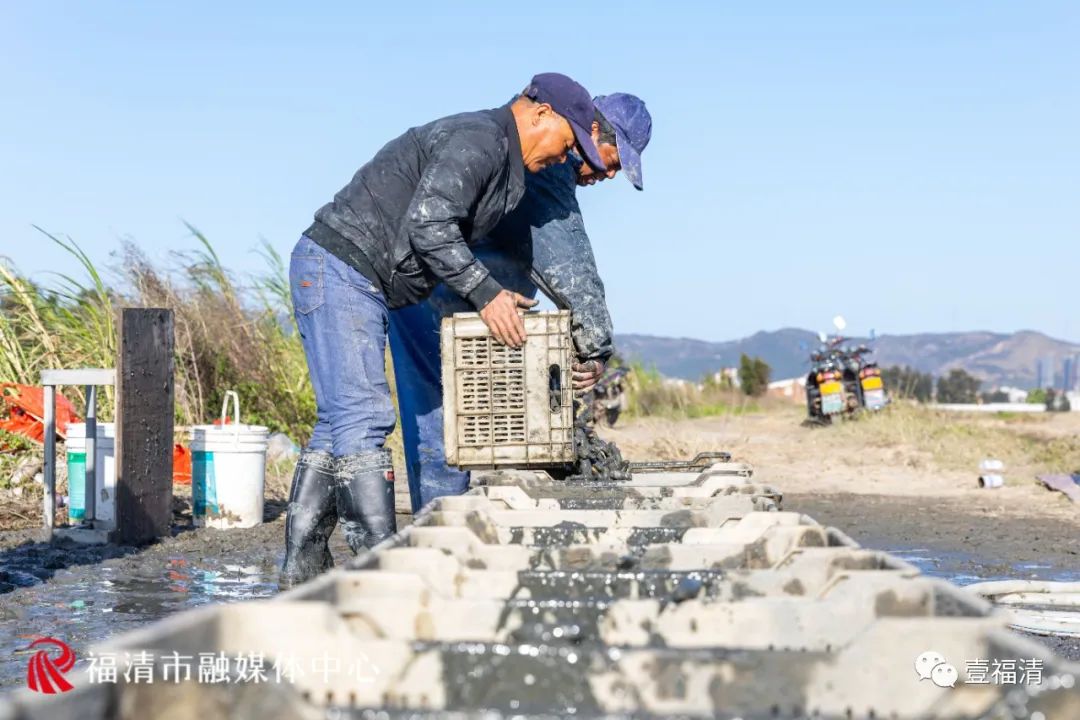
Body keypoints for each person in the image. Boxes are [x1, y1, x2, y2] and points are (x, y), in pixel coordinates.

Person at [281, 73, 608, 587]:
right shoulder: (480, 139)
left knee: (338, 423)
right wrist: (485, 292)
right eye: (566, 143)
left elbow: (447, 237)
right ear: (540, 112)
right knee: (364, 416)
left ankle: (301, 568)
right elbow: (430, 225)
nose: (561, 157)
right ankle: (382, 574)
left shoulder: (509, 166)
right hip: (340, 267)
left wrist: (496, 293)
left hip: (353, 275)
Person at [388, 92, 652, 511]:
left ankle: (444, 516)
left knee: (468, 421)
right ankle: (441, 529)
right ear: (593, 130)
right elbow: (567, 261)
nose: (611, 173)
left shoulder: (542, 158)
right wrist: (595, 345)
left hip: (473, 309)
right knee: (441, 416)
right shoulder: (549, 166)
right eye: (614, 159)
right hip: (434, 299)